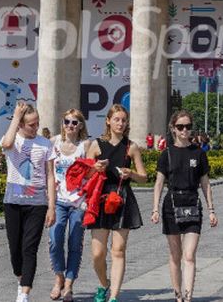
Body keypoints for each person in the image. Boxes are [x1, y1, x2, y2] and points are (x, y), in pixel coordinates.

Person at [151, 110, 219, 302]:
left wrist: (211, 210)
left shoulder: (198, 153)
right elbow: (158, 183)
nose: (184, 130)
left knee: (188, 255)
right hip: (171, 205)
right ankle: (178, 294)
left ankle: (188, 297)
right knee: (175, 255)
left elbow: (205, 183)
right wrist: (155, 209)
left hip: (192, 204)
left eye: (188, 127)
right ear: (173, 129)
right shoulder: (166, 154)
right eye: (180, 127)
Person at [85, 104, 148, 302]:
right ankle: (104, 283)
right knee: (97, 253)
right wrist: (95, 168)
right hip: (100, 197)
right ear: (108, 121)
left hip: (122, 197)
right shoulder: (96, 145)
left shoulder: (132, 147)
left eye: (123, 120)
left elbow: (144, 177)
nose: (120, 123)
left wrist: (132, 174)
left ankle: (113, 297)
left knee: (118, 250)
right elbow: (85, 175)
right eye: (117, 119)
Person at [0, 102, 56, 302]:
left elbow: (50, 176)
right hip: (13, 202)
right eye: (31, 124)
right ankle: (20, 277)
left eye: (37, 124)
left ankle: (24, 293)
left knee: (29, 248)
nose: (35, 128)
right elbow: (6, 144)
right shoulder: (13, 140)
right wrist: (15, 117)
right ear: (21, 125)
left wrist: (51, 206)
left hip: (37, 204)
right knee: (15, 250)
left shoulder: (45, 144)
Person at [48, 109, 92, 301]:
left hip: (78, 202)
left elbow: (91, 173)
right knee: (55, 239)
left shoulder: (85, 145)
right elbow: (47, 170)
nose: (70, 126)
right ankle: (58, 277)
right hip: (57, 200)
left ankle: (68, 285)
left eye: (75, 122)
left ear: (80, 125)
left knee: (75, 243)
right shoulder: (54, 142)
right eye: (67, 122)